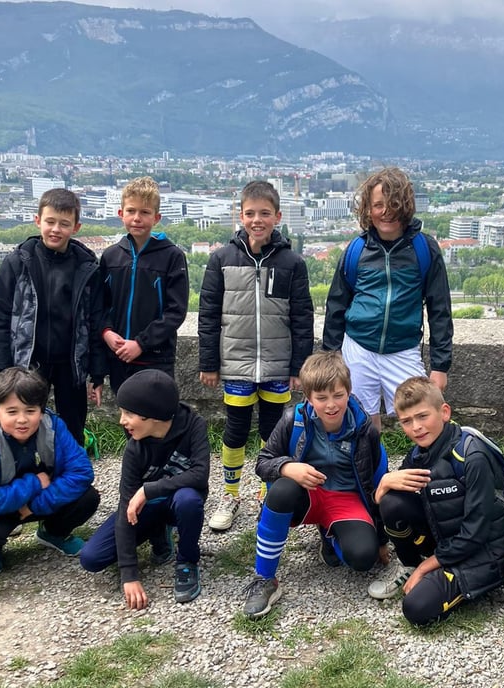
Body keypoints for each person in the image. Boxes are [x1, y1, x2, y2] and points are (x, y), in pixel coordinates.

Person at [198, 180, 314, 532]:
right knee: (235, 429)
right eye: (250, 213)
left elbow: (302, 317)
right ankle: (230, 494)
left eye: (265, 213)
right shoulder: (221, 259)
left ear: (278, 216)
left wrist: (299, 366)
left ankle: (268, 493)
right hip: (236, 361)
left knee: (272, 431)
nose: (257, 220)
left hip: (278, 363)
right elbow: (208, 314)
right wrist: (209, 362)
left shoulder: (292, 262)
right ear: (241, 215)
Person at [242, 350, 389, 619]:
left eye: (338, 395)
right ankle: (265, 579)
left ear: (349, 391)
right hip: (306, 494)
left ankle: (330, 535)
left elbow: (379, 482)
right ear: (308, 397)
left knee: (363, 559)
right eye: (321, 398)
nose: (331, 405)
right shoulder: (293, 419)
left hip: (345, 499)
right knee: (283, 489)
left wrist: (381, 539)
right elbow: (263, 462)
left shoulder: (365, 428)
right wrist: (288, 467)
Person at [367, 376, 504, 626]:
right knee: (392, 500)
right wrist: (383, 484)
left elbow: (475, 534)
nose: (416, 427)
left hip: (483, 551)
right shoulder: (419, 453)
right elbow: (383, 507)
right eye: (407, 421)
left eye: (422, 416)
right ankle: (409, 566)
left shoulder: (472, 456)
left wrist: (427, 567)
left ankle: (427, 571)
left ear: (444, 412)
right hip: (447, 541)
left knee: (417, 608)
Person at [323, 167, 452, 431]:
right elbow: (336, 305)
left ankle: (428, 460)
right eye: (378, 205)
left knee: (423, 419)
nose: (386, 212)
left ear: (405, 205)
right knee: (362, 422)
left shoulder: (424, 249)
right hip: (358, 347)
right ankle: (371, 459)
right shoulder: (357, 250)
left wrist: (440, 366)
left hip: (403, 349)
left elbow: (439, 309)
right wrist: (331, 356)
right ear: (368, 209)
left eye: (393, 204)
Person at [79, 369, 209, 608]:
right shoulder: (135, 448)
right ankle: (157, 531)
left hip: (180, 503)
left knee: (188, 500)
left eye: (129, 413)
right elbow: (126, 506)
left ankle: (187, 561)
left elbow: (200, 475)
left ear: (155, 416)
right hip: (148, 508)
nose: (122, 420)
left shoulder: (194, 426)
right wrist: (129, 573)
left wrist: (149, 490)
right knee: (91, 558)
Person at [0, 188, 105, 446]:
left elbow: (95, 322)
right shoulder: (17, 263)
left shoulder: (87, 267)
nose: (55, 229)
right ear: (37, 220)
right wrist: (2, 369)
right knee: (22, 425)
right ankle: (25, 469)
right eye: (50, 221)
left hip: (71, 363)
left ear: (76, 227)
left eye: (64, 224)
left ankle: (70, 470)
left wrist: (97, 374)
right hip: (28, 361)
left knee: (72, 429)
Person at [0, 367, 100, 576]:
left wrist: (33, 506)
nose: (22, 419)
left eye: (30, 411)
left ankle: (52, 533)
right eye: (12, 412)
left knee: (87, 498)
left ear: (41, 411)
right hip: (1, 507)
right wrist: (33, 483)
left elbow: (82, 473)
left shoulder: (54, 427)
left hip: (39, 501)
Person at [100, 176, 189, 394]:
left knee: (155, 412)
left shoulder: (172, 257)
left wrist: (141, 343)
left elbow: (175, 311)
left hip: (156, 357)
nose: (137, 218)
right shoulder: (111, 257)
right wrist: (106, 332)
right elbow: (100, 304)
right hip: (119, 356)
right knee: (126, 412)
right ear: (121, 214)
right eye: (131, 211)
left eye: (145, 212)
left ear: (156, 218)